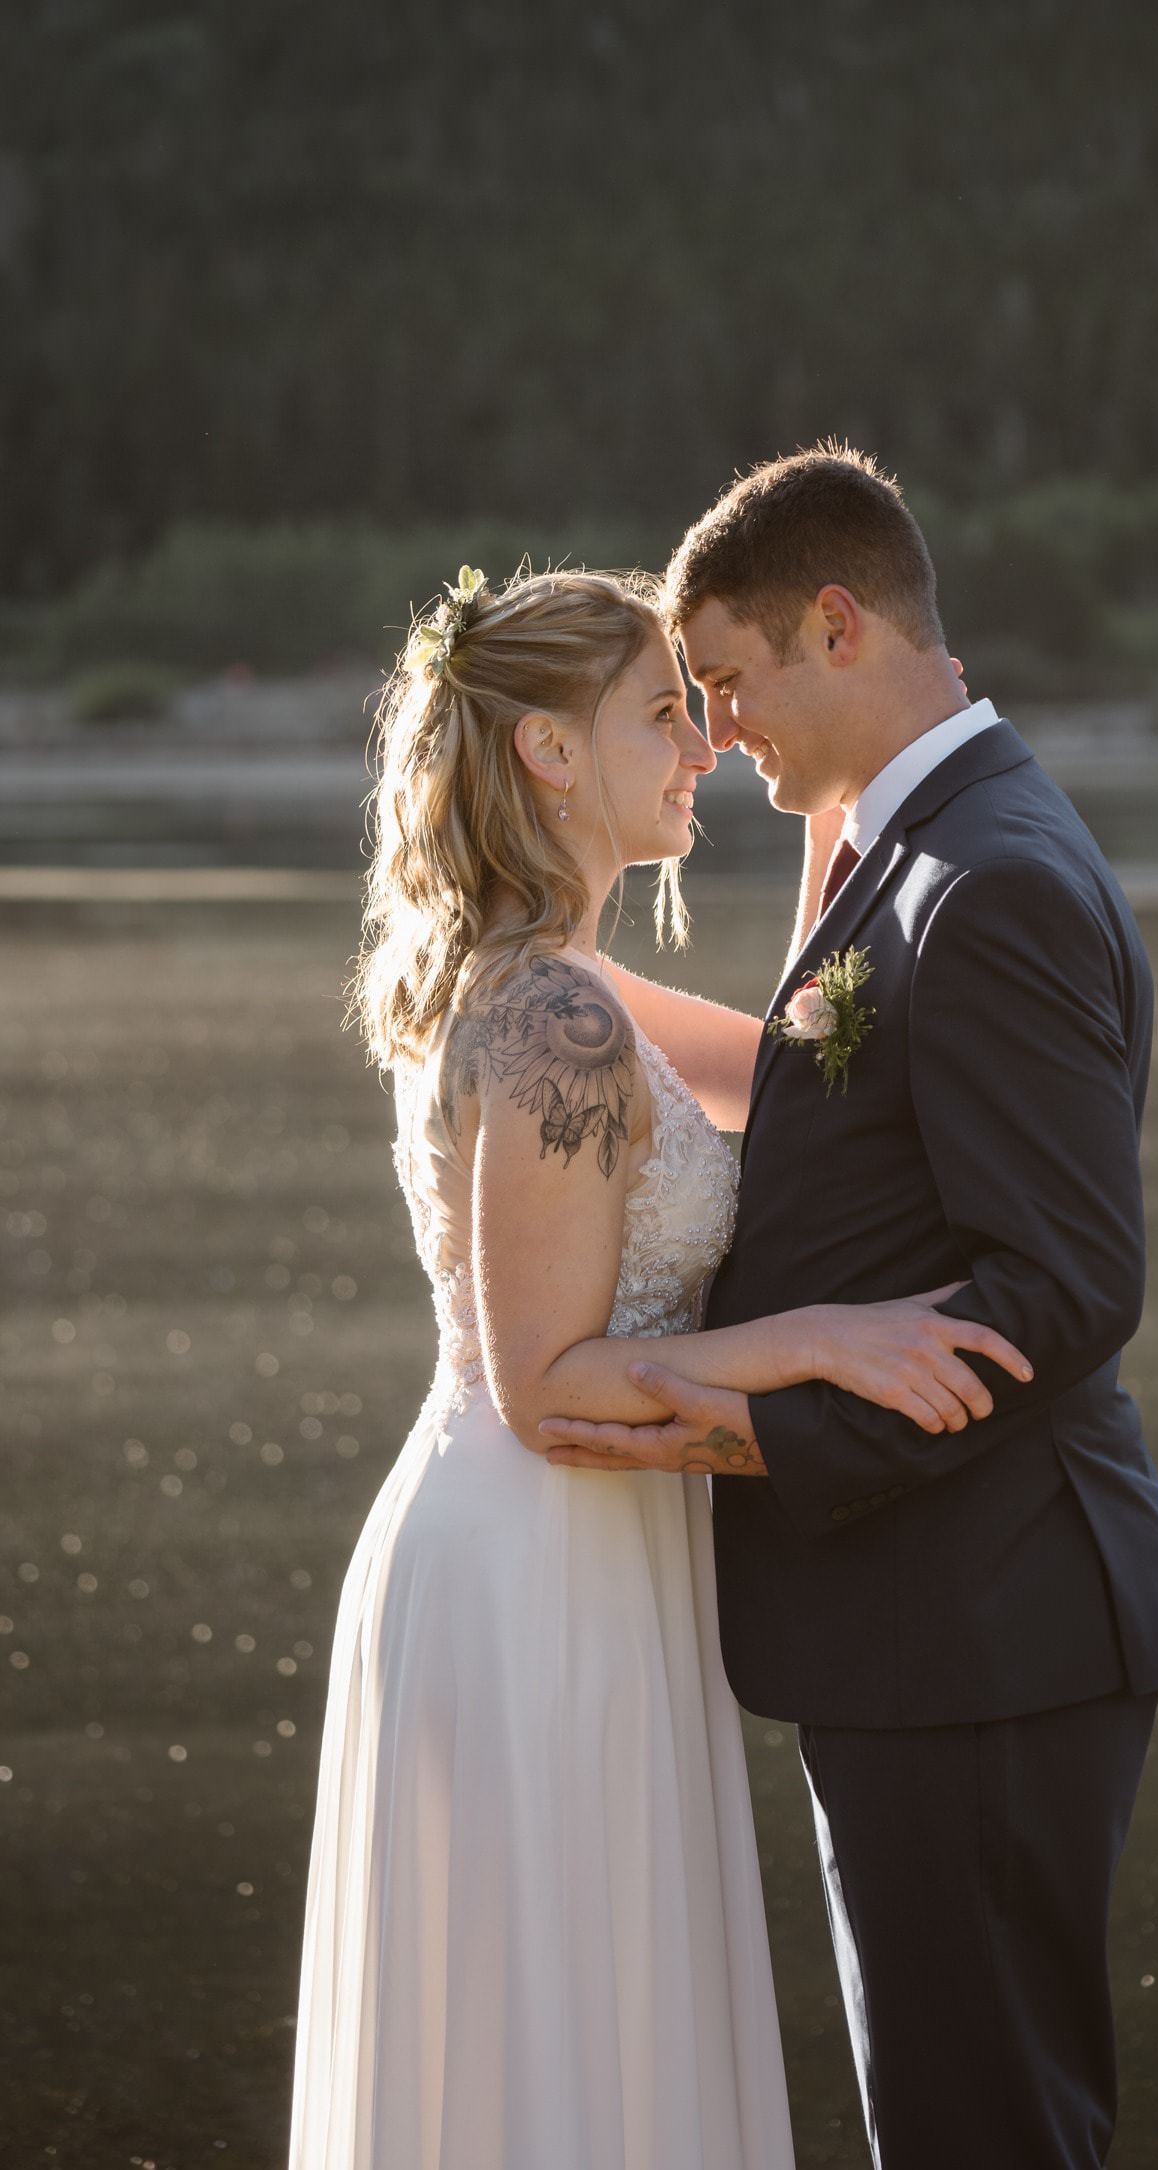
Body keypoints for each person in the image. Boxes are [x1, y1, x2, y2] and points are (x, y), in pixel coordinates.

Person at [287, 561, 1034, 2170]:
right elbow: (550, 1384)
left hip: (602, 1554)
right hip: (535, 1559)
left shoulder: (573, 986)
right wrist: (829, 1336)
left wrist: (849, 846)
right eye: (658, 714)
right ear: (550, 754)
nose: (699, 746)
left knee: (587, 2031)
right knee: (553, 2043)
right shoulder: (549, 1015)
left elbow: (795, 1080)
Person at [543, 450, 1158, 2169]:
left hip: (986, 1626)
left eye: (734, 678)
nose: (721, 723)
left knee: (983, 2127)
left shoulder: (991, 884)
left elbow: (1065, 1280)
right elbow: (841, 1129)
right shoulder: (910, 847)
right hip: (939, 1622)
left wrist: (763, 1427)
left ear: (836, 626)